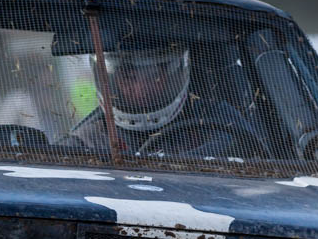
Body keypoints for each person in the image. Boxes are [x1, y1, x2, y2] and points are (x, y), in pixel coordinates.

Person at [64, 44, 266, 159]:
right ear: (113, 79)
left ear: (171, 76)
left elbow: (258, 164)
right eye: (128, 77)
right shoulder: (87, 141)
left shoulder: (218, 121)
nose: (139, 89)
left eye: (154, 75)